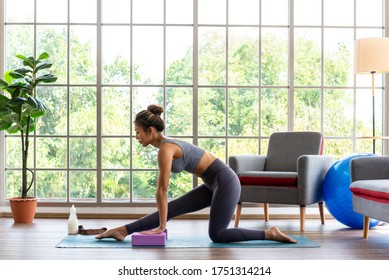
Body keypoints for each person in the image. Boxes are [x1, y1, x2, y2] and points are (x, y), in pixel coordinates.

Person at [96, 105, 296, 243]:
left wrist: (161, 227)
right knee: (172, 208)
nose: (136, 136)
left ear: (150, 130)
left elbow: (162, 191)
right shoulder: (165, 146)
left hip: (225, 181)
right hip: (213, 182)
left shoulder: (165, 149)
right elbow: (163, 197)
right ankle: (123, 230)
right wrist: (162, 224)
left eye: (138, 131)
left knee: (217, 234)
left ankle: (269, 234)